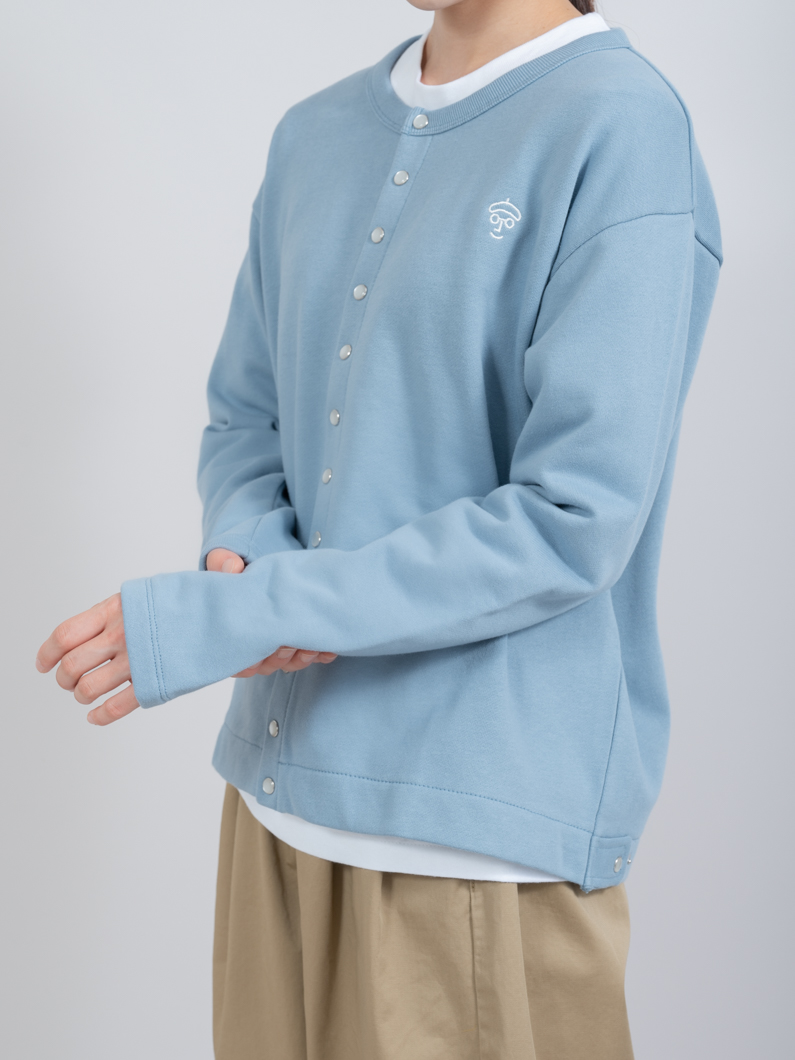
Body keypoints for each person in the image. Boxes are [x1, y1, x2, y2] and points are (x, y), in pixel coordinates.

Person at [36, 0, 722, 1056]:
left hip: (470, 849)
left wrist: (261, 611)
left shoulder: (619, 125)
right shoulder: (314, 132)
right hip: (272, 812)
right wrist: (252, 567)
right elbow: (246, 416)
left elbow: (575, 516)